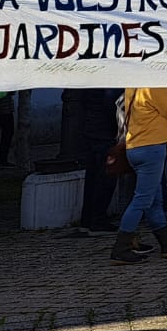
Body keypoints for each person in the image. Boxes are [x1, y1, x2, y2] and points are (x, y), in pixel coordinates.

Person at [112, 86, 167, 264]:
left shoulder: (134, 86)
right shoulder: (154, 87)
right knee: (142, 200)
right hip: (151, 148)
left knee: (153, 200)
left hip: (135, 146)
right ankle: (121, 247)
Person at [70, 87, 122, 236]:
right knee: (105, 179)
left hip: (92, 129)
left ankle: (88, 220)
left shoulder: (90, 83)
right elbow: (112, 105)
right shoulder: (109, 83)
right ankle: (98, 219)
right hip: (105, 133)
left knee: (92, 177)